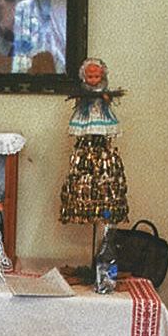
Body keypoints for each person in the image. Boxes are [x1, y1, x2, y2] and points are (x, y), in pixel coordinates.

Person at [59, 58, 129, 225]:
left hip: (101, 117)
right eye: (90, 77)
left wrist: (105, 98)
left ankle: (105, 211)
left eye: (96, 76)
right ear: (84, 77)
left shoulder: (103, 89)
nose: (93, 80)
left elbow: (108, 101)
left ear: (102, 76)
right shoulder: (84, 90)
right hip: (86, 119)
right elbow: (78, 103)